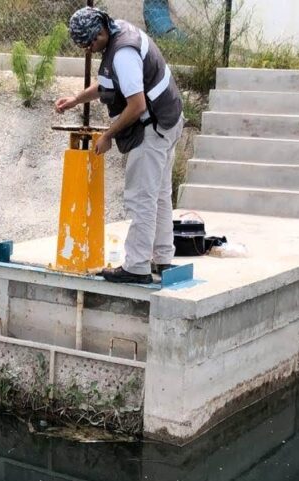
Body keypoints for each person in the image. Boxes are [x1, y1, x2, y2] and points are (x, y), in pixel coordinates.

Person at [55, 6, 184, 284]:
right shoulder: (118, 33)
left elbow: (136, 105)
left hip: (153, 128)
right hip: (169, 119)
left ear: (101, 32)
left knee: (141, 198)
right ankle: (163, 260)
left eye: (90, 43)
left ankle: (137, 267)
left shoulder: (123, 54)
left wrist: (108, 135)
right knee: (159, 195)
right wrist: (75, 100)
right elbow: (106, 86)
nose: (89, 50)